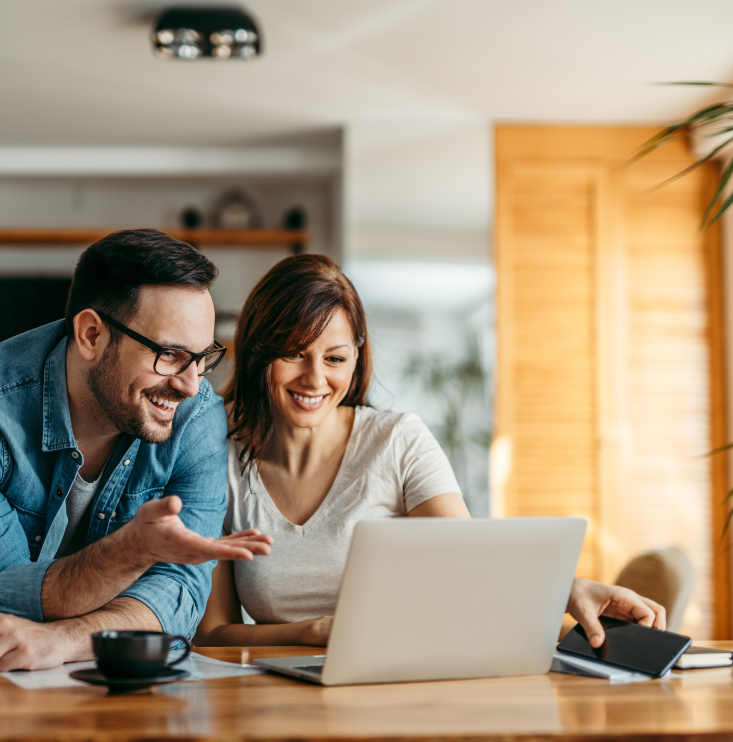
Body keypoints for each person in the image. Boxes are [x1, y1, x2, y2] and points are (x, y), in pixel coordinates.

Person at [0, 229, 272, 671]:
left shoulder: (198, 413)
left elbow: (179, 593)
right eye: (169, 354)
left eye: (204, 357)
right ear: (91, 334)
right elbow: (4, 598)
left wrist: (66, 639)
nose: (191, 384)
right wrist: (136, 549)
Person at [194, 254, 665, 649]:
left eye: (335, 358)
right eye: (294, 353)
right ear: (257, 352)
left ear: (356, 358)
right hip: (274, 699)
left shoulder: (397, 441)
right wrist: (310, 633)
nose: (316, 379)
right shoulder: (217, 456)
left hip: (397, 681)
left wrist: (569, 587)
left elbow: (469, 555)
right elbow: (213, 634)